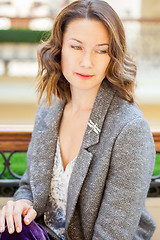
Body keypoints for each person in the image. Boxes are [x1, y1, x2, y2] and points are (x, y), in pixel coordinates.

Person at [0, 0, 156, 239]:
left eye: (101, 50)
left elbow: (112, 235)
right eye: (76, 47)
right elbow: (29, 186)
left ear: (113, 57)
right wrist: (21, 205)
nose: (87, 62)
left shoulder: (129, 129)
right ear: (60, 48)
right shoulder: (50, 107)